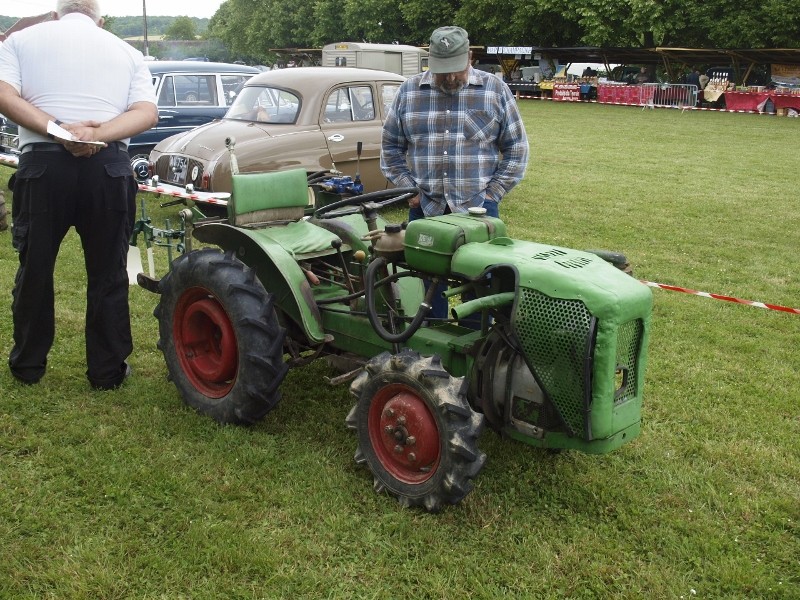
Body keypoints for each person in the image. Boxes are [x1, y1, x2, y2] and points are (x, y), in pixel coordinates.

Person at [0, 0, 158, 389]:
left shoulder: (20, 40)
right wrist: (94, 134)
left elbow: (4, 94)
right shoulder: (128, 51)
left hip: (42, 167)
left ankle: (28, 366)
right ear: (99, 20)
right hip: (108, 167)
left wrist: (57, 129)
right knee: (108, 272)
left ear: (56, 14)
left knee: (35, 268)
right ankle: (106, 372)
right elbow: (146, 113)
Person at [380, 25, 528, 320]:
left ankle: (474, 352)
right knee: (427, 288)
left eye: (455, 70)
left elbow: (517, 149)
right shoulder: (409, 92)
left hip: (478, 213)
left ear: (469, 57)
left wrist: (491, 196)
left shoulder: (494, 90)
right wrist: (409, 188)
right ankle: (429, 351)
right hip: (425, 211)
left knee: (481, 288)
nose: (449, 77)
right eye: (441, 70)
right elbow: (390, 149)